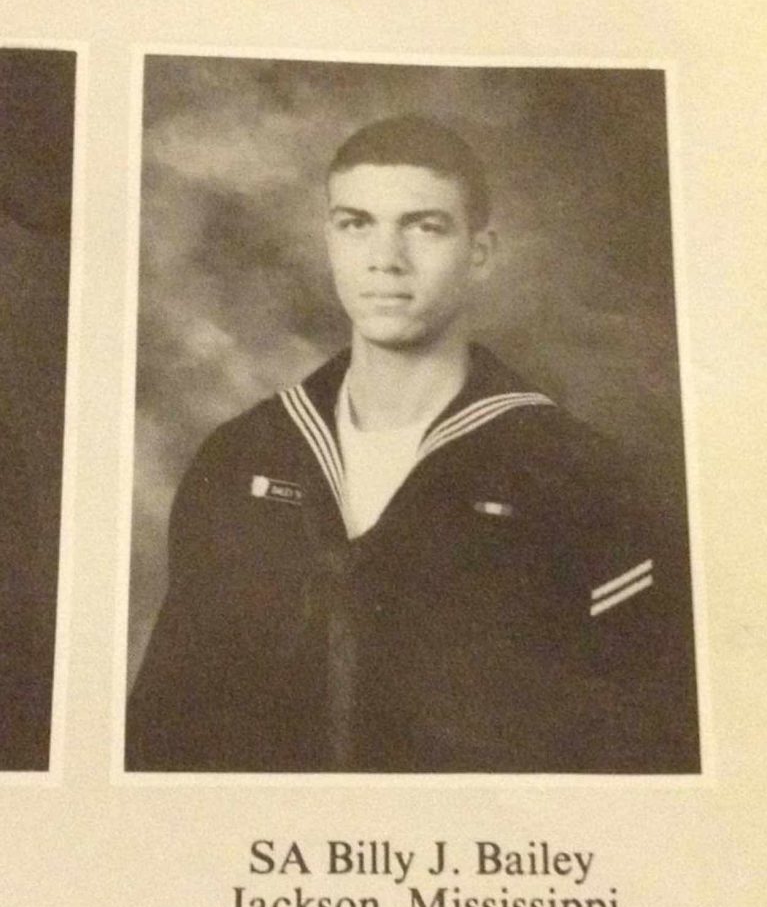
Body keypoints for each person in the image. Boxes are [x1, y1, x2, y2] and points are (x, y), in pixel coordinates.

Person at [126, 114, 700, 774]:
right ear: (330, 241)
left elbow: (652, 758)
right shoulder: (240, 459)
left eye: (424, 227)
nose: (385, 260)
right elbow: (163, 735)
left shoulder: (582, 477)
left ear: (479, 253)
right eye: (356, 223)